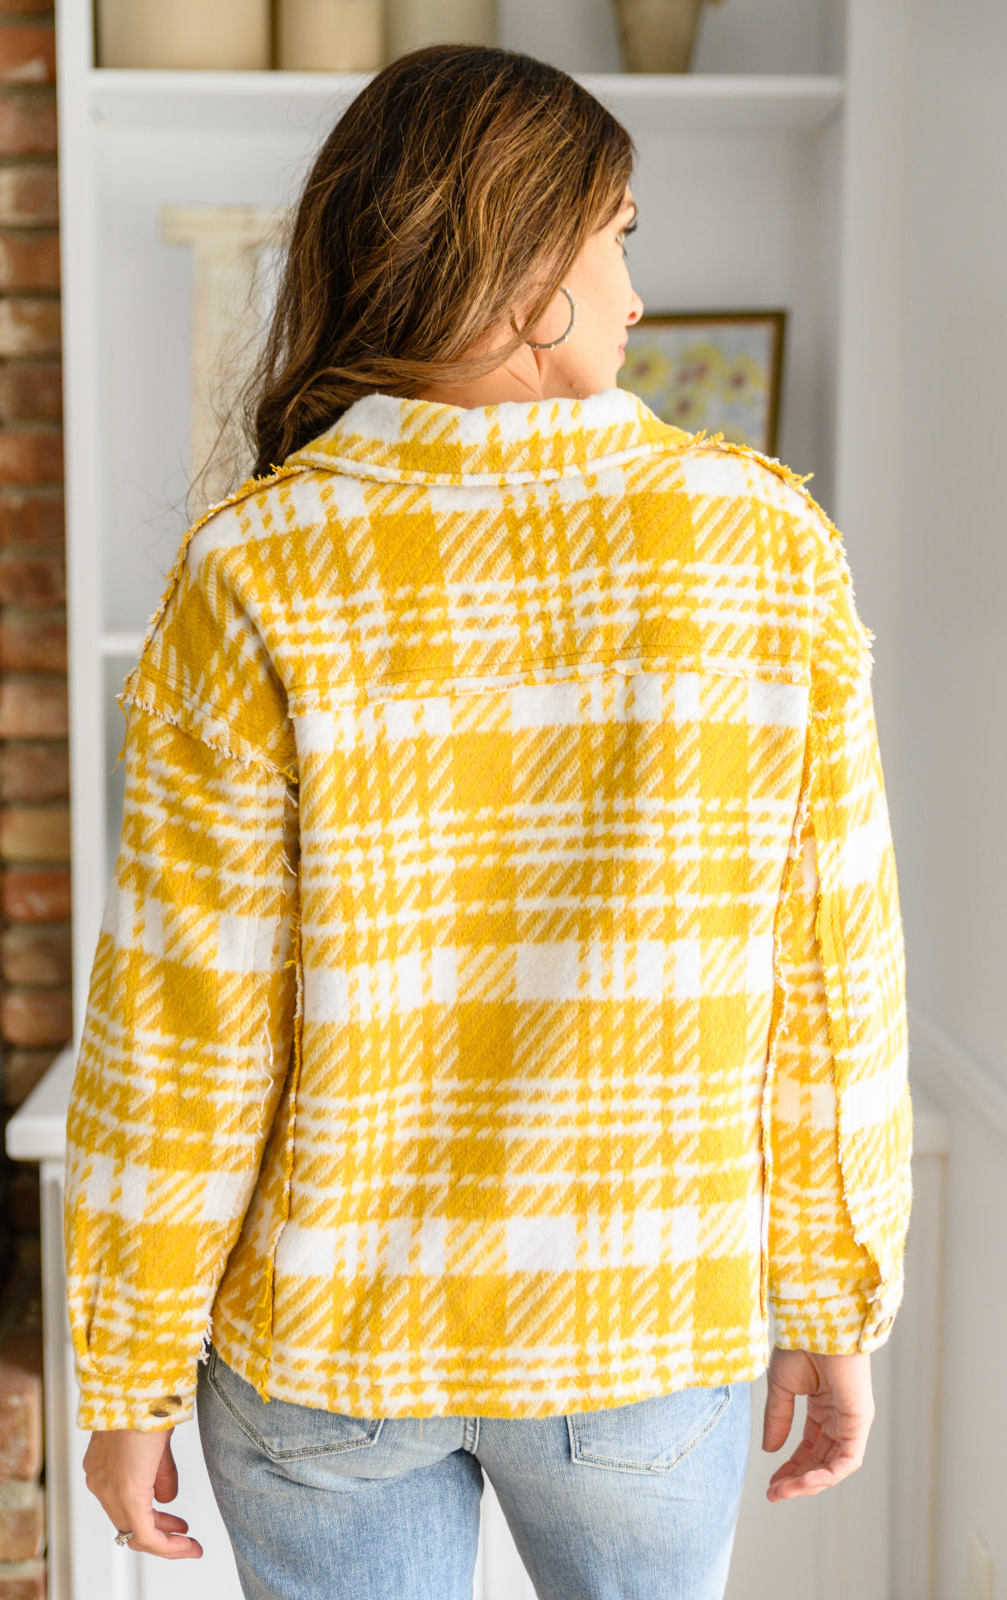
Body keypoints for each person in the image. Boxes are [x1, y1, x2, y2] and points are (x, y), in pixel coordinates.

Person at [64, 44, 912, 1600]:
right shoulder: (760, 546)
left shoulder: (257, 563)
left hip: (327, 1343)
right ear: (520, 258)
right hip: (638, 1330)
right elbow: (826, 985)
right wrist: (831, 1304)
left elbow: (184, 1027)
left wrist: (123, 1378)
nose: (636, 297)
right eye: (618, 238)